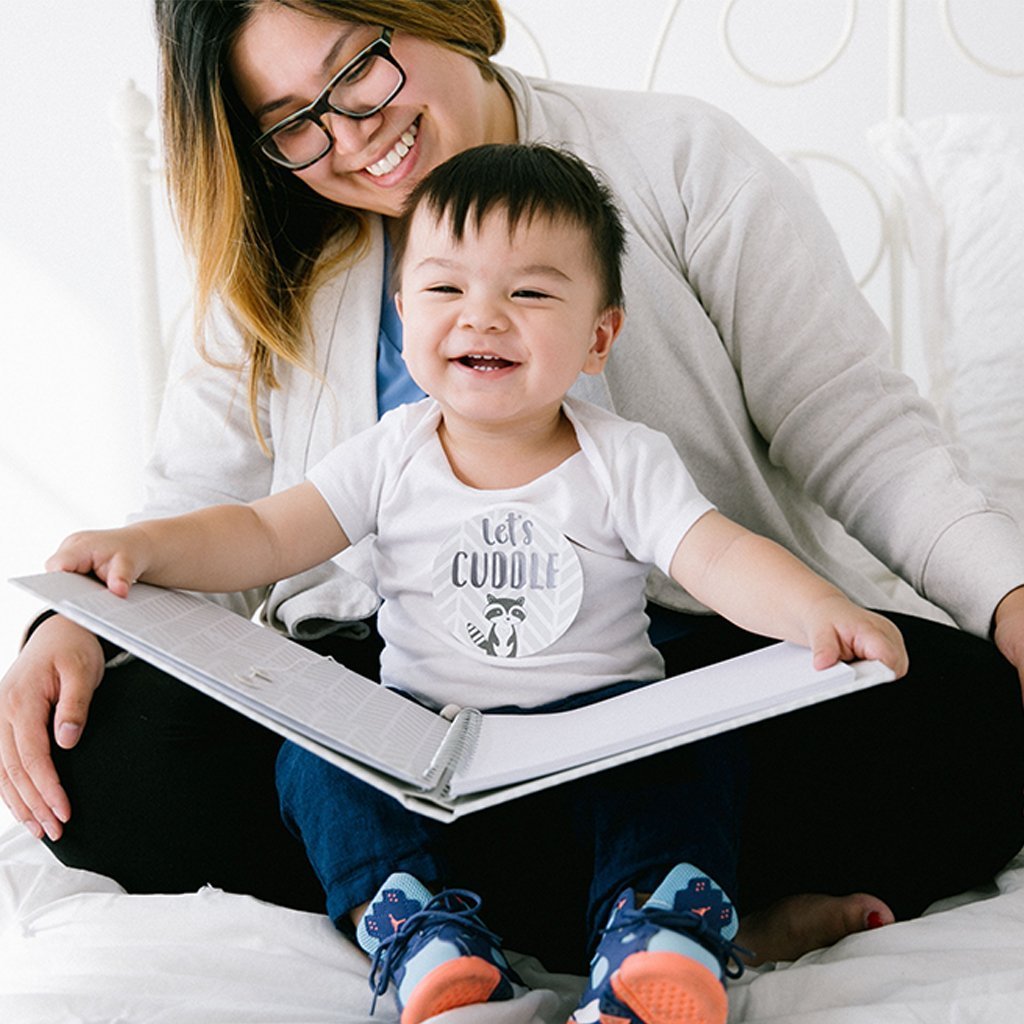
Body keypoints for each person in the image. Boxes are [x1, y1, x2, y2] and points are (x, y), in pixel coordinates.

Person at [1, 0, 1022, 977]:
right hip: (386, 695)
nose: (352, 137)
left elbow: (855, 428)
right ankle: (677, 910)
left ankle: (438, 905)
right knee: (103, 759)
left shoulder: (679, 157)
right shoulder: (284, 251)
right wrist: (84, 622)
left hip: (655, 678)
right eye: (294, 123)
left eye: (357, 66)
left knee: (974, 724)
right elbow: (220, 516)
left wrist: (1004, 600)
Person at [45, 141, 909, 1024]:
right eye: (446, 289)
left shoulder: (623, 459)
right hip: (429, 760)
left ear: (599, 336)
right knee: (314, 760)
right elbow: (265, 533)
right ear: (403, 309)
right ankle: (426, 938)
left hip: (599, 747)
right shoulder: (392, 452)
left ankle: (659, 936)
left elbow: (716, 556)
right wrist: (145, 545)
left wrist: (818, 608)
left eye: (529, 292)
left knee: (697, 752)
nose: (482, 318)